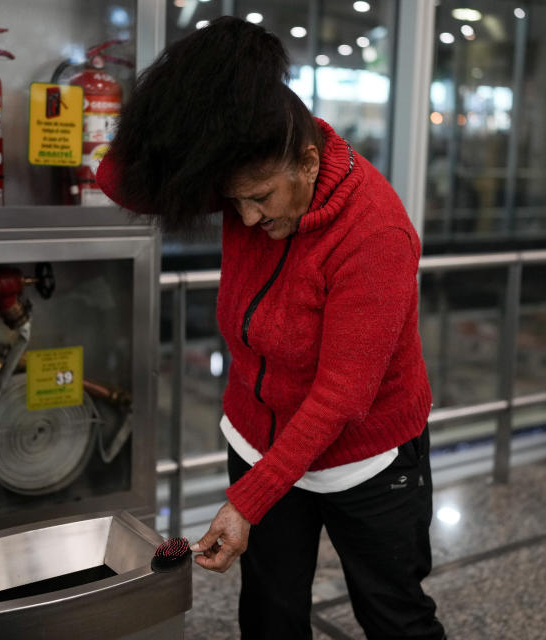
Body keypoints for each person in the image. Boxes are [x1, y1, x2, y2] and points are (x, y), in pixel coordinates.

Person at [97, 17, 445, 640]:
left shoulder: (375, 233)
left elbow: (342, 397)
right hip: (260, 442)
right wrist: (182, 104)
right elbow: (118, 182)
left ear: (309, 163)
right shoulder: (252, 175)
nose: (249, 217)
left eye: (259, 197)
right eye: (234, 202)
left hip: (365, 460)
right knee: (269, 611)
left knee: (393, 614)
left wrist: (248, 502)